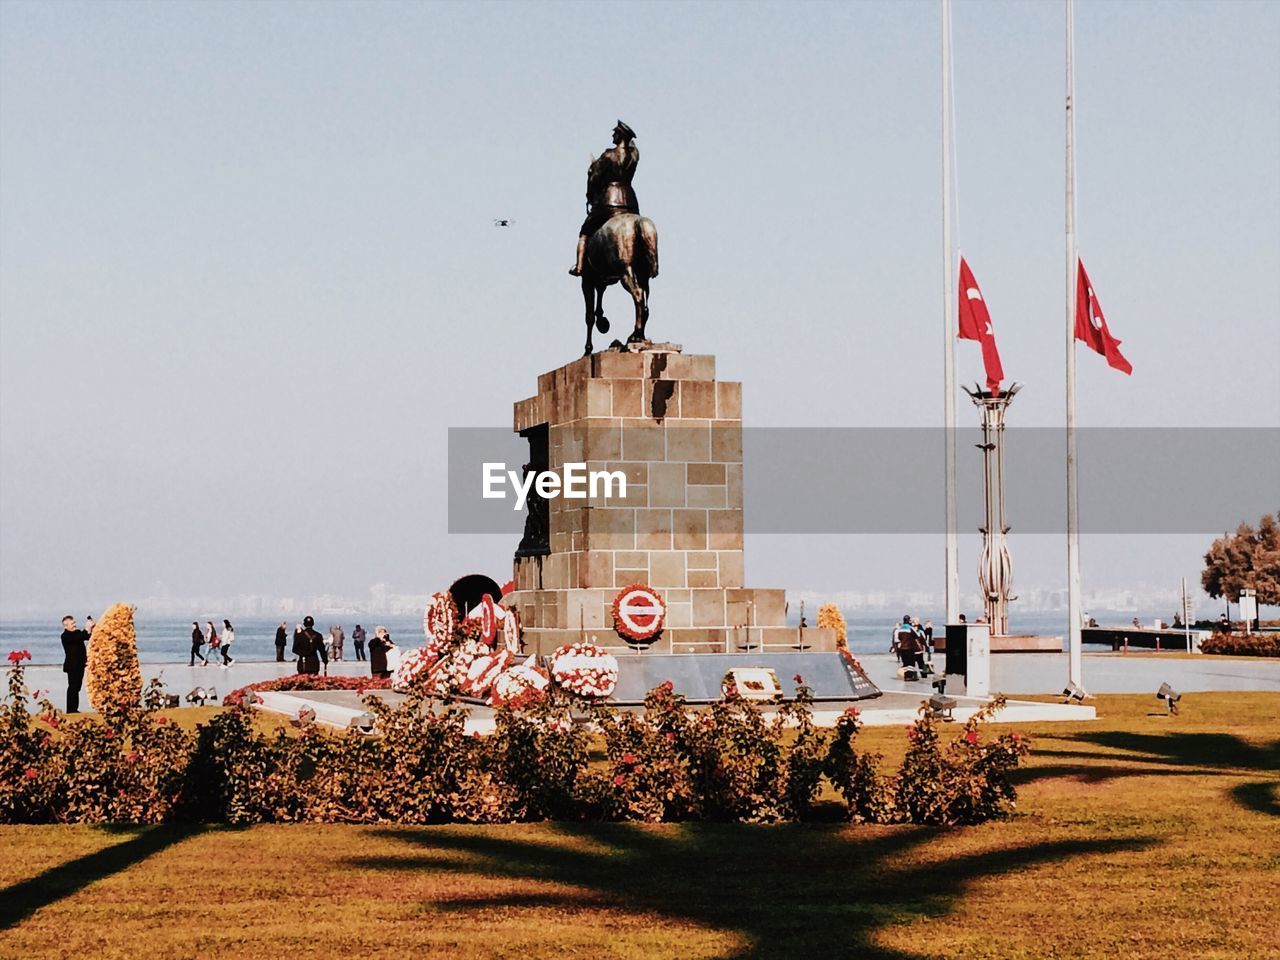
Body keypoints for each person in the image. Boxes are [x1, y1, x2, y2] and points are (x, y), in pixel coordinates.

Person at [568, 120, 640, 276]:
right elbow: (634, 147)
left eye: (615, 133)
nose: (613, 135)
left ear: (620, 135)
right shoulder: (634, 156)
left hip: (610, 201)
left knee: (585, 232)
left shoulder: (609, 155)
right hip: (631, 203)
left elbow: (594, 177)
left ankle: (579, 266)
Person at [60, 615, 89, 713]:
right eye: (72, 624)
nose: (74, 625)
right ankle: (70, 709)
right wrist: (87, 628)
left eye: (74, 623)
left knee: (77, 687)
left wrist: (92, 628)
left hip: (80, 664)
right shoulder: (65, 636)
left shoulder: (77, 633)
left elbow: (86, 636)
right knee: (73, 687)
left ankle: (74, 708)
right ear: (66, 626)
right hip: (72, 665)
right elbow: (78, 638)